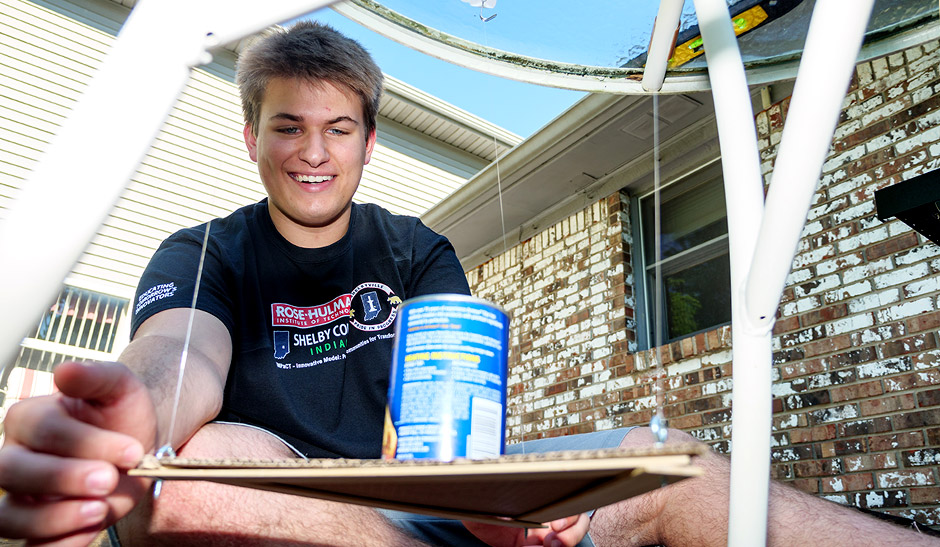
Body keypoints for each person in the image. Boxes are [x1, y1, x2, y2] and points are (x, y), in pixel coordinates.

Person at [0, 21, 935, 547]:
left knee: (678, 458)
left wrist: (500, 509)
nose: (313, 153)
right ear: (253, 138)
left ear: (368, 141)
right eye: (288, 127)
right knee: (202, 469)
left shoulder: (413, 248)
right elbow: (178, 360)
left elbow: (448, 425)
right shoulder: (205, 250)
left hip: (418, 500)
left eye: (338, 128)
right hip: (291, 502)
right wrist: (126, 412)